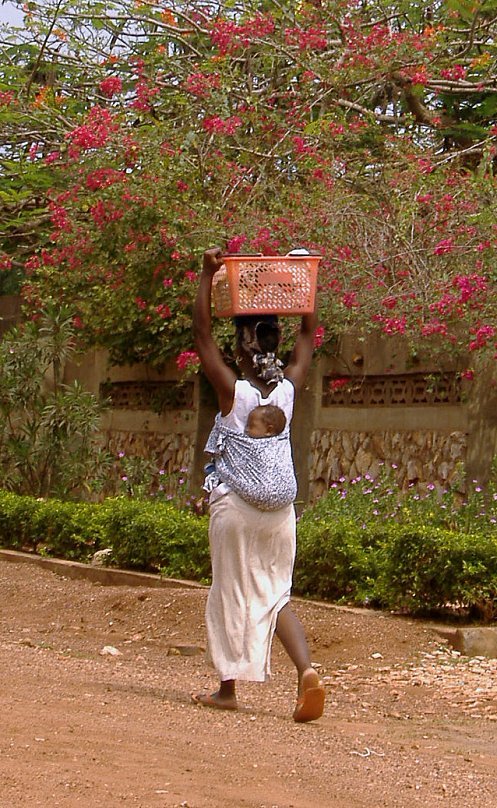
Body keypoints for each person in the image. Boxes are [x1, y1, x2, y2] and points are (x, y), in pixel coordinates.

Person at [192, 246, 325, 723]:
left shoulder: (234, 392)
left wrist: (206, 275)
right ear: (274, 346)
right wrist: (307, 283)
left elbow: (200, 335)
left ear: (241, 350)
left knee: (230, 591)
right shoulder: (288, 389)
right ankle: (306, 671)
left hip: (238, 509)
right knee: (276, 596)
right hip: (280, 515)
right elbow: (308, 334)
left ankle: (227, 689)